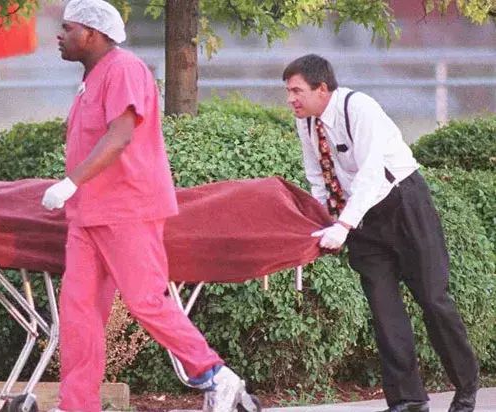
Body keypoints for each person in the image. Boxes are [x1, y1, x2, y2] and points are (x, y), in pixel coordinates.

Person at [41, 1, 245, 411]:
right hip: (87, 216)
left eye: (68, 27)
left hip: (126, 209)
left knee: (145, 300)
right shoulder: (92, 78)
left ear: (93, 34)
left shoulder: (124, 69)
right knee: (79, 317)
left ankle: (215, 376)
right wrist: (74, 192)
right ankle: (76, 405)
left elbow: (120, 136)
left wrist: (70, 182)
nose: (59, 36)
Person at [282, 54, 479, 412]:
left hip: (403, 203)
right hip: (363, 220)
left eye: (296, 90)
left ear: (321, 88)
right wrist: (323, 220)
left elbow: (372, 174)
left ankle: (466, 387)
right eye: (288, 91)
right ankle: (408, 399)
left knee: (433, 300)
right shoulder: (307, 123)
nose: (290, 99)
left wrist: (343, 225)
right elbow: (317, 179)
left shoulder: (360, 109)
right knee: (384, 310)